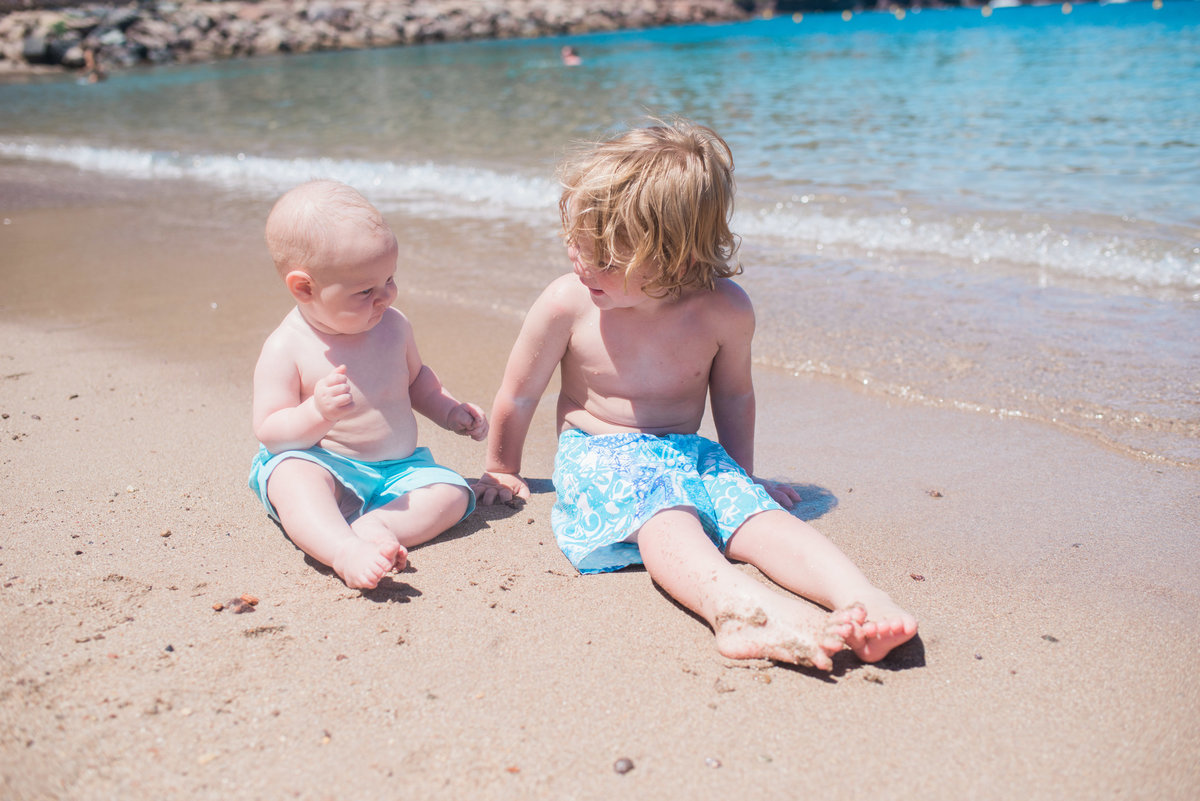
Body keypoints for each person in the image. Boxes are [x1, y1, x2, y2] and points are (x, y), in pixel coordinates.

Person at [475, 121, 917, 669]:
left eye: (607, 261)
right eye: (576, 242)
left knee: (759, 519)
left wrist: (742, 476)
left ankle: (862, 598)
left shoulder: (723, 309)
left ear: (679, 259)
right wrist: (501, 466)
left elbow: (733, 397)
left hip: (693, 455)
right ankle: (734, 610)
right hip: (601, 456)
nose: (581, 262)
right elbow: (518, 395)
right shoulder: (569, 303)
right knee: (668, 517)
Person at [250, 180, 488, 590]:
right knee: (291, 477)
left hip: (400, 472)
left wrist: (449, 411)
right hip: (327, 464)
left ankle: (378, 523)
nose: (386, 298)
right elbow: (271, 432)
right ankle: (342, 548)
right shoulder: (286, 346)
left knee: (453, 491)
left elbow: (417, 383)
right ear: (304, 288)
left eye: (390, 280)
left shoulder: (394, 328)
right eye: (365, 291)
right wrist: (315, 413)